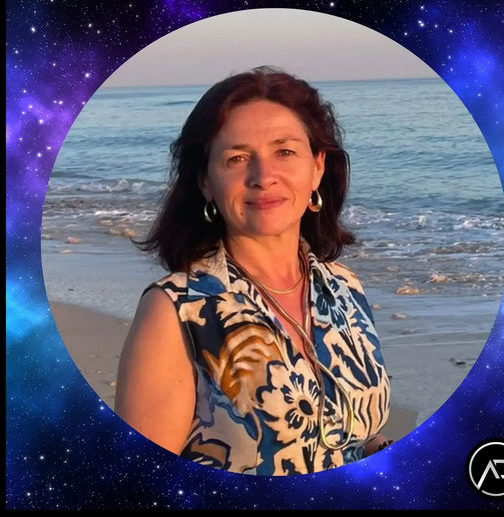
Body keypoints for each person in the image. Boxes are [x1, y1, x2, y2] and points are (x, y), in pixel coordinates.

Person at [115, 66, 392, 475]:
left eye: (285, 152)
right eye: (237, 158)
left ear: (317, 167)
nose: (263, 177)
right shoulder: (177, 311)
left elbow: (354, 434)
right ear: (206, 182)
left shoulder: (344, 288)